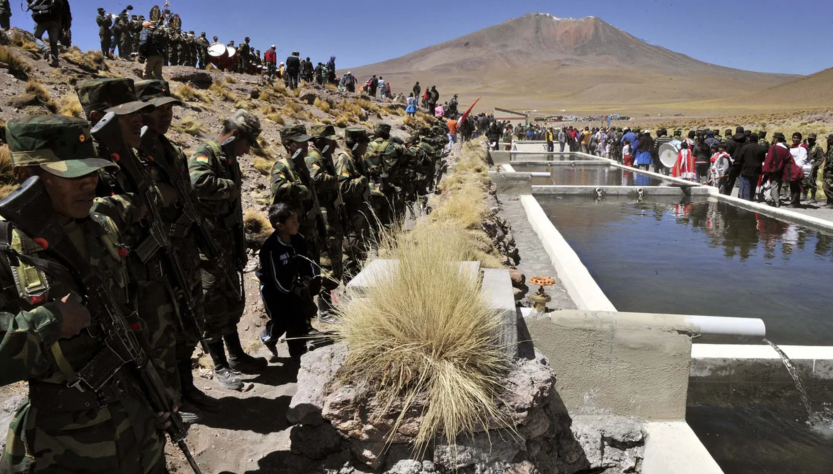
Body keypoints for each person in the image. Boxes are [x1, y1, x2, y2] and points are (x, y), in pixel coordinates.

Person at [0, 114, 171, 474]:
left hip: (138, 429)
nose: (89, 182)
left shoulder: (100, 227)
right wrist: (50, 321)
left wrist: (153, 389)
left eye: (91, 171)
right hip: (64, 449)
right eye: (71, 174)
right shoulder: (7, 251)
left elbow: (130, 319)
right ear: (24, 177)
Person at [134, 79, 219, 415]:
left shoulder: (172, 152)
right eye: (159, 109)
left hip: (181, 252)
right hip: (154, 260)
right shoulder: (130, 154)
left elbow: (187, 200)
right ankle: (171, 399)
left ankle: (187, 388)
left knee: (189, 321)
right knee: (161, 332)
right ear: (140, 111)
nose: (167, 116)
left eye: (170, 108)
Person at [189, 110, 268, 389]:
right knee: (212, 308)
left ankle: (236, 357)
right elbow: (196, 183)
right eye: (247, 143)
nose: (248, 151)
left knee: (231, 305)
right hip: (207, 250)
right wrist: (231, 186)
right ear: (235, 136)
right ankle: (220, 366)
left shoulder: (228, 158)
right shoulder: (206, 153)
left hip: (226, 246)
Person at [257, 203, 317, 362]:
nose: (297, 224)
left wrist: (306, 279)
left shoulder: (299, 239)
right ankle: (269, 337)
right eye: (293, 222)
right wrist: (293, 288)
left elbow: (306, 262)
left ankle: (298, 353)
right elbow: (275, 278)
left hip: (292, 285)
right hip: (273, 290)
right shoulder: (270, 249)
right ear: (280, 226)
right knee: (281, 321)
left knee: (297, 318)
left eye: (297, 220)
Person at [335, 127, 372, 274]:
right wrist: (361, 182)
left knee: (361, 252)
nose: (366, 146)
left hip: (360, 216)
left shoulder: (357, 159)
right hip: (351, 218)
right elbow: (342, 188)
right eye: (364, 143)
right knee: (350, 254)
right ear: (356, 144)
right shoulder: (344, 159)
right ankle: (349, 287)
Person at [763, 132, 802, 208]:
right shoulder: (786, 149)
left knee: (774, 186)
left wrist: (766, 170)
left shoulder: (773, 148)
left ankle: (776, 202)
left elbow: (769, 160)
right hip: (782, 170)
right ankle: (777, 200)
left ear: (776, 139)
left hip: (774, 169)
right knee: (779, 185)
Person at [31, 0, 70, 67]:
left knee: (36, 36)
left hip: (42, 19)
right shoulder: (63, 1)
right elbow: (67, 15)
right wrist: (66, 27)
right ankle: (55, 61)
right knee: (54, 43)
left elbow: (34, 6)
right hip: (55, 22)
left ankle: (45, 49)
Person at [736, 133, 767, 201]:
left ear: (749, 139)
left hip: (746, 170)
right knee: (753, 186)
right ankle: (751, 199)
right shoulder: (762, 148)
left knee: (747, 186)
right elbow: (763, 159)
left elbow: (740, 158)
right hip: (757, 170)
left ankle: (747, 201)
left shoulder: (745, 147)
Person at [804, 133, 825, 203]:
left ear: (814, 140)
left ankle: (813, 198)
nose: (810, 141)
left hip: (813, 168)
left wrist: (815, 165)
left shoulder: (817, 148)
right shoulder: (806, 147)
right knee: (804, 182)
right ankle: (805, 196)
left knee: (812, 182)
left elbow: (820, 159)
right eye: (809, 139)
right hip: (805, 167)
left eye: (811, 139)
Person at [824, 134, 833, 208]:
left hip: (831, 171)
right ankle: (829, 201)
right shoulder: (830, 148)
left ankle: (831, 203)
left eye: (829, 139)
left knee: (827, 187)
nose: (827, 140)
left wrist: (828, 167)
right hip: (828, 170)